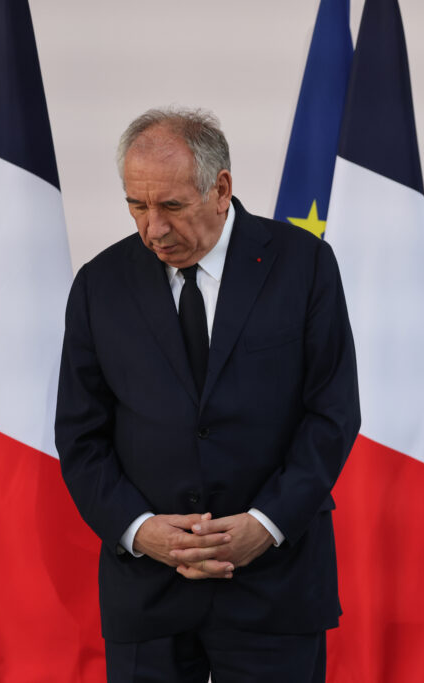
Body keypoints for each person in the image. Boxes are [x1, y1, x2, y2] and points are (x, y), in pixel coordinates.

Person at [55, 108, 360, 682]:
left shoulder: (304, 264)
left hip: (275, 584)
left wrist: (266, 524)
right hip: (148, 592)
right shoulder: (100, 284)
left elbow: (332, 414)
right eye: (136, 206)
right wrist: (139, 530)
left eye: (171, 206)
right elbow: (80, 435)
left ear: (220, 189)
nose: (153, 229)